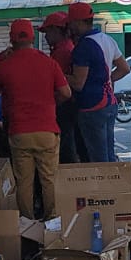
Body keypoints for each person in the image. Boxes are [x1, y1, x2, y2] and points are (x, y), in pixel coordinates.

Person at [0, 18, 71, 220]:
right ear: (33, 37)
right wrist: (52, 102)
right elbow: (66, 93)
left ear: (11, 39)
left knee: (24, 181)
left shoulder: (5, 66)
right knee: (49, 179)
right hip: (46, 130)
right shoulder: (48, 62)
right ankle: (52, 220)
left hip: (19, 132)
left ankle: (26, 223)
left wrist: (3, 58)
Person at [67, 2, 130, 162]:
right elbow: (124, 68)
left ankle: (106, 187)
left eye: (71, 22)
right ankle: (115, 185)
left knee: (99, 159)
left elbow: (78, 83)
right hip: (110, 103)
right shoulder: (107, 39)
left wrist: (57, 75)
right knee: (109, 154)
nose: (69, 26)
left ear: (79, 22)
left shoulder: (84, 47)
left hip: (92, 106)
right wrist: (108, 79)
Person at [42, 11, 85, 164]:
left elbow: (59, 84)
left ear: (55, 30)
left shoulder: (62, 51)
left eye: (47, 32)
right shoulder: (65, 48)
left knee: (66, 148)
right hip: (68, 104)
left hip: (65, 105)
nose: (45, 36)